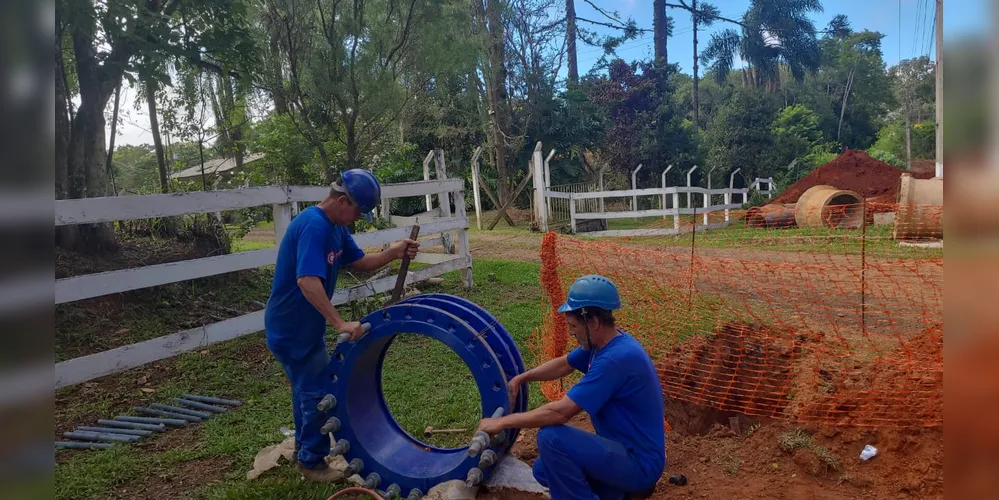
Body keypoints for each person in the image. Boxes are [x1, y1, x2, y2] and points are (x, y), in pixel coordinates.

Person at [264, 168, 419, 481]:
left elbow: (360, 263)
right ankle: (311, 462)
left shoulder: (336, 227)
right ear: (344, 200)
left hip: (305, 328)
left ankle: (304, 451)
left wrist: (394, 252)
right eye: (358, 212)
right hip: (290, 327)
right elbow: (307, 281)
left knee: (306, 389)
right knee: (317, 391)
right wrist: (338, 322)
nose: (357, 219)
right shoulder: (313, 226)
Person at [476, 275, 666, 500]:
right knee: (544, 469)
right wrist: (521, 378)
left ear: (593, 322)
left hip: (640, 463)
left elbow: (560, 413)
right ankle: (618, 493)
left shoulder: (615, 360)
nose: (571, 332)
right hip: (623, 451)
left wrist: (500, 422)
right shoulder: (604, 343)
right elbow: (564, 364)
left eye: (573, 325)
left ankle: (626, 489)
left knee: (552, 438)